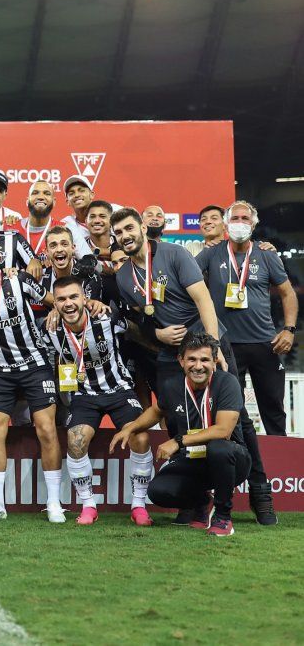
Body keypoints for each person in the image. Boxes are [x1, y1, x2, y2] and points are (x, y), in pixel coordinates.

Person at [110, 207, 276, 525]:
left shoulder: (174, 254)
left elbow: (202, 299)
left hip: (208, 344)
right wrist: (156, 332)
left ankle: (260, 494)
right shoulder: (122, 276)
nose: (125, 236)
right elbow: (141, 320)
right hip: (171, 352)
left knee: (237, 417)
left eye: (129, 228)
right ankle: (195, 497)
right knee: (175, 415)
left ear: (142, 227)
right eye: (119, 233)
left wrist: (213, 348)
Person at [0, 236, 65, 524]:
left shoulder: (19, 280)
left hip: (35, 365)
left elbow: (51, 300)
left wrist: (56, 311)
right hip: (0, 371)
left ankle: (54, 502)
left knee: (46, 428)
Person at [111, 333, 250, 536]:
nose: (198, 366)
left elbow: (223, 430)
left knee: (219, 447)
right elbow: (156, 411)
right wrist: (130, 429)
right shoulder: (172, 386)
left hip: (232, 459)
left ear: (214, 361)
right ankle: (202, 504)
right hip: (192, 459)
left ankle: (223, 516)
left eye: (204, 360)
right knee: (158, 491)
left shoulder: (227, 383)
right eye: (192, 359)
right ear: (181, 360)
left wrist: (178, 441)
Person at [44, 276, 152, 526]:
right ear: (55, 304)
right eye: (61, 299)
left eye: (73, 297)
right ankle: (88, 504)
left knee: (141, 436)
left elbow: (137, 332)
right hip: (84, 395)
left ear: (84, 298)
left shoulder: (107, 317)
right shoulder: (50, 329)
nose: (68, 304)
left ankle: (139, 505)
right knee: (76, 441)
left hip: (119, 389)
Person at [196, 201, 297, 437]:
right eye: (235, 218)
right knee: (231, 410)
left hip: (265, 343)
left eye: (245, 219)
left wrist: (289, 329)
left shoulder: (266, 254)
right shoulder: (211, 253)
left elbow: (287, 293)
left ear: (253, 224)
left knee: (273, 409)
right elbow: (185, 277)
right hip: (225, 346)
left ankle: (279, 463)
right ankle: (238, 463)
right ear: (226, 224)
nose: (240, 223)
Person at [10, 180, 95, 264]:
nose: (41, 197)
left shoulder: (66, 229)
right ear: (27, 200)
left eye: (47, 193)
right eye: (35, 193)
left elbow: (94, 265)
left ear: (54, 202)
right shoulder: (9, 228)